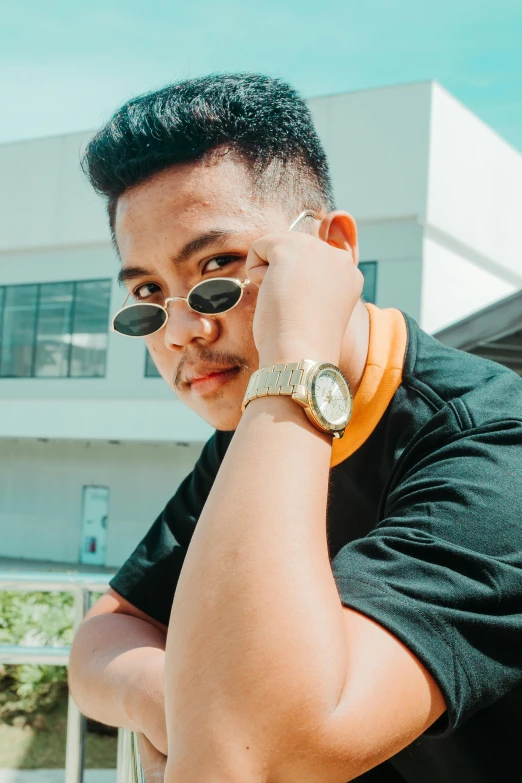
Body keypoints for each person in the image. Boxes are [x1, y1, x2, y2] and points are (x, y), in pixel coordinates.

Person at [68, 73, 522, 783]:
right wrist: (180, 705)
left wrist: (295, 364)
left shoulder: (495, 445)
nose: (183, 330)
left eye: (217, 269)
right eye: (148, 296)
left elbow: (263, 754)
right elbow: (102, 635)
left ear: (332, 251)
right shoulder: (260, 429)